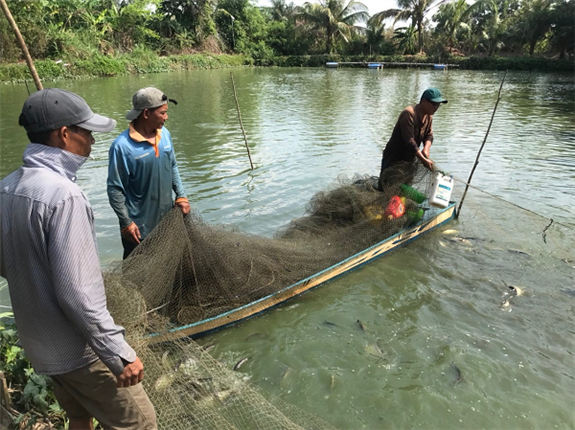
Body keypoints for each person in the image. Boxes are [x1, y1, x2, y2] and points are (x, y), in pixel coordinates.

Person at [0, 88, 157, 430]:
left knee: (78, 417)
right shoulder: (65, 197)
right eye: (86, 133)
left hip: (41, 346)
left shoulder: (7, 187)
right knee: (142, 422)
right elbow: (79, 295)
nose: (92, 142)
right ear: (65, 135)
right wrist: (118, 352)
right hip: (80, 351)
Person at [107, 87, 190, 259]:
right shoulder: (122, 146)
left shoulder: (164, 134)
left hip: (166, 224)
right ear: (146, 113)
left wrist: (181, 195)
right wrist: (125, 222)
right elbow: (115, 189)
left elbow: (172, 165)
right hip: (139, 231)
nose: (166, 117)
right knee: (137, 279)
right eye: (162, 113)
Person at [378, 87, 448, 190]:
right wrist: (423, 159)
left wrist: (426, 149)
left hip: (409, 160)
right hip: (393, 159)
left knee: (404, 191)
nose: (436, 108)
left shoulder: (429, 116)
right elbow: (409, 142)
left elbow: (429, 135)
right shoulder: (409, 113)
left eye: (438, 105)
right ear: (424, 101)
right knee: (387, 190)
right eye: (434, 104)